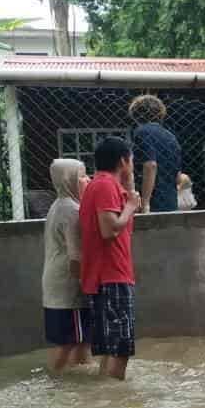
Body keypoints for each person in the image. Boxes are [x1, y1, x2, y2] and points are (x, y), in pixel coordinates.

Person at [79, 137, 142, 380]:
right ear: (123, 161)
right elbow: (109, 229)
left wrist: (129, 199)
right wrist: (130, 207)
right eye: (131, 159)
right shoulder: (105, 186)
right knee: (121, 347)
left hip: (106, 275)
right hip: (111, 275)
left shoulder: (103, 185)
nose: (133, 164)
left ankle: (105, 397)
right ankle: (116, 399)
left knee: (110, 347)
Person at [42, 158, 92, 374]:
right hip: (68, 287)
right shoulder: (71, 210)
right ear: (68, 180)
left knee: (78, 339)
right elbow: (75, 258)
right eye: (81, 176)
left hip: (55, 284)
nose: (87, 179)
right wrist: (85, 285)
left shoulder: (58, 205)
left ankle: (74, 380)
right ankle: (54, 380)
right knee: (70, 341)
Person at [129, 94, 182, 213]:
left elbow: (150, 165)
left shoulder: (142, 132)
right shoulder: (171, 136)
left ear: (136, 114)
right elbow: (178, 177)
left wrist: (145, 202)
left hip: (153, 201)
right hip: (170, 200)